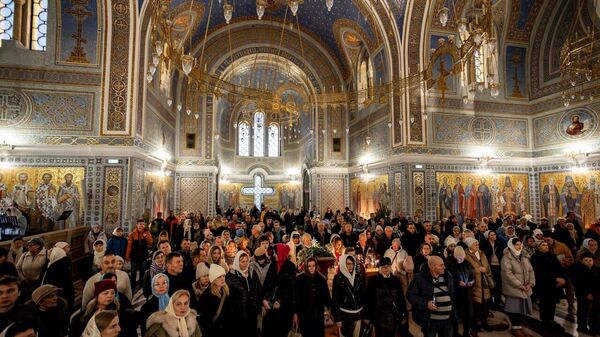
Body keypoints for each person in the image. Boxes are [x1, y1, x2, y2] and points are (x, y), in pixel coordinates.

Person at [407, 256, 456, 337]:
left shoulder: (448, 276)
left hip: (447, 320)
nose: (444, 267)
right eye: (441, 265)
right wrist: (426, 304)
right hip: (430, 321)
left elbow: (452, 294)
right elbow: (410, 295)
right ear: (432, 267)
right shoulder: (419, 278)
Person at [366, 257, 408, 337]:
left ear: (390, 267)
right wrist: (367, 316)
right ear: (380, 268)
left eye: (388, 266)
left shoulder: (396, 280)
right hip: (378, 316)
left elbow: (401, 299)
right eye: (383, 266)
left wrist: (403, 315)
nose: (386, 268)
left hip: (393, 316)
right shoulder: (374, 281)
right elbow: (369, 299)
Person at [501, 238, 535, 337]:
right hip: (514, 288)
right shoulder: (506, 258)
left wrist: (530, 284)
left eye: (520, 244)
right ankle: (514, 328)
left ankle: (519, 327)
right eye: (516, 245)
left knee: (522, 308)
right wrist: (520, 285)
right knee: (514, 309)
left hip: (525, 287)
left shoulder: (524, 256)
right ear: (511, 246)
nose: (519, 246)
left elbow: (531, 270)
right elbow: (508, 274)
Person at [262, 243, 296, 337]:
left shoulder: (290, 267)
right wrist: (264, 299)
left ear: (281, 253)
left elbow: (291, 289)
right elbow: (267, 283)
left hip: (285, 309)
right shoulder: (273, 265)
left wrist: (280, 300)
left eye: (276, 253)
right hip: (270, 306)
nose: (274, 255)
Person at [293, 257, 331, 337]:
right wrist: (295, 313)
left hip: (318, 313)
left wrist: (330, 309)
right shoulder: (299, 279)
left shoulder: (321, 279)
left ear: (316, 266)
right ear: (306, 266)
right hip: (304, 314)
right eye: (309, 266)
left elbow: (326, 296)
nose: (311, 268)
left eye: (313, 266)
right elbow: (296, 297)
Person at [530, 241, 565, 329]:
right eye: (543, 245)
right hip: (544, 283)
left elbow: (558, 268)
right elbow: (540, 271)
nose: (546, 246)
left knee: (552, 302)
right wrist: (555, 278)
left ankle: (551, 320)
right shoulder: (535, 257)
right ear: (538, 247)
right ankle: (544, 321)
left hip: (554, 284)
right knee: (545, 302)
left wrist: (561, 278)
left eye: (546, 245)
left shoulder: (551, 255)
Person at [332, 254, 367, 337]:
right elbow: (335, 300)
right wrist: (338, 319)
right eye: (348, 264)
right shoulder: (338, 279)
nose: (351, 266)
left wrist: (366, 314)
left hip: (358, 313)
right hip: (345, 314)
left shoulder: (358, 277)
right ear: (343, 264)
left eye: (352, 263)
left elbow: (364, 296)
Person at [463, 237, 493, 331]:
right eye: (475, 244)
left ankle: (484, 323)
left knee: (485, 306)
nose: (477, 245)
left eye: (477, 243)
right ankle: (475, 325)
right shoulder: (465, 256)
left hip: (484, 284)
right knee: (476, 307)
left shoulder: (482, 254)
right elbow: (465, 271)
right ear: (469, 246)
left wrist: (488, 275)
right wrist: (477, 270)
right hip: (474, 285)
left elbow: (488, 268)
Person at [197, 265, 236, 336]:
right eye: (219, 277)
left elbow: (232, 312)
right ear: (213, 279)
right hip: (214, 332)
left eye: (223, 276)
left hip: (228, 330)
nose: (222, 279)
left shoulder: (228, 291)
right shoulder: (207, 295)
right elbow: (204, 319)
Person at [226, 251, 258, 337]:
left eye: (247, 261)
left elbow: (256, 289)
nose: (245, 263)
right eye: (242, 261)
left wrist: (255, 304)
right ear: (237, 261)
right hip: (238, 311)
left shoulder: (251, 272)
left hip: (251, 310)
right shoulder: (232, 275)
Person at [446, 246, 474, 337]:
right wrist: (458, 282)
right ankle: (455, 333)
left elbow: (471, 274)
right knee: (455, 314)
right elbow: (449, 277)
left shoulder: (466, 263)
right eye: (459, 258)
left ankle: (467, 331)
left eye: (462, 258)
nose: (461, 260)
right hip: (455, 293)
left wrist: (471, 282)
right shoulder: (449, 263)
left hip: (466, 292)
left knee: (468, 313)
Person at [572, 252, 600, 334]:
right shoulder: (578, 269)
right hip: (583, 293)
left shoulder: (596, 269)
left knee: (595, 311)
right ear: (581, 260)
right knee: (583, 311)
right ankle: (582, 326)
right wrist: (587, 293)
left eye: (590, 260)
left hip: (595, 293)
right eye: (586, 260)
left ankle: (595, 327)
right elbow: (578, 283)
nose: (589, 262)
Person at [126, 219, 153, 287]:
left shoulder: (147, 233)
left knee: (143, 269)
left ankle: (142, 283)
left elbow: (151, 242)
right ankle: (133, 284)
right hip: (134, 255)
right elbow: (129, 246)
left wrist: (145, 235)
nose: (141, 225)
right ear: (137, 225)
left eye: (143, 224)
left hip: (143, 254)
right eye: (140, 224)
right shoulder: (132, 234)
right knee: (133, 269)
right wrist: (127, 256)